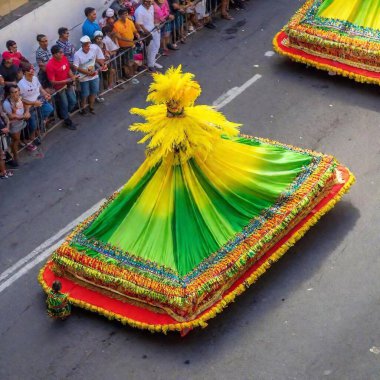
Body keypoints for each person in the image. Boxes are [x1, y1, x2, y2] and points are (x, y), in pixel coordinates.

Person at [18, 64, 54, 142]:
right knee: (33, 124)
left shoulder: (35, 78)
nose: (32, 73)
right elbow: (20, 99)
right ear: (24, 73)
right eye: (29, 72)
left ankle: (40, 127)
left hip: (39, 100)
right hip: (29, 105)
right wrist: (33, 103)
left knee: (49, 109)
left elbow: (40, 88)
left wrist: (45, 94)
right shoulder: (21, 84)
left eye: (33, 71)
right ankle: (32, 138)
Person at [46, 45, 78, 130]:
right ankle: (67, 120)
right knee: (64, 103)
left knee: (73, 101)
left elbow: (68, 69)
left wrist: (72, 78)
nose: (62, 54)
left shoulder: (64, 58)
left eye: (62, 52)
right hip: (59, 88)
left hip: (68, 84)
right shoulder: (50, 65)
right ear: (54, 54)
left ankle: (63, 114)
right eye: (60, 52)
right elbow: (52, 81)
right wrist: (66, 81)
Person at [73, 36, 105, 115]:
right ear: (82, 45)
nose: (88, 47)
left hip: (94, 75)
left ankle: (91, 107)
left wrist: (102, 65)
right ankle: (83, 108)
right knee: (85, 94)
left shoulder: (93, 50)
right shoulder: (77, 54)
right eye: (86, 46)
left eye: (88, 45)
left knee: (94, 92)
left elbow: (96, 59)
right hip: (84, 78)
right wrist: (87, 73)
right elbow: (75, 67)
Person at [3, 85, 31, 166]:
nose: (15, 94)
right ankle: (15, 156)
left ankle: (14, 153)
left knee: (17, 140)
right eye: (12, 92)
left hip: (21, 121)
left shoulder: (20, 97)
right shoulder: (6, 103)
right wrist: (24, 116)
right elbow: (11, 116)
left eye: (16, 91)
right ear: (9, 93)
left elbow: (26, 104)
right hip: (14, 124)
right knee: (16, 140)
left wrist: (27, 111)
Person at [135, 0, 162, 72]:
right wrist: (147, 32)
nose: (149, 4)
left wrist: (156, 25)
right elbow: (139, 24)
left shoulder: (152, 7)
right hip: (147, 32)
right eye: (147, 2)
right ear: (143, 2)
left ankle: (152, 61)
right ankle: (150, 65)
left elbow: (153, 17)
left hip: (154, 29)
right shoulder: (139, 11)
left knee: (157, 46)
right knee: (150, 49)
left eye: (150, 2)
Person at [113, 8, 140, 78]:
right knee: (127, 63)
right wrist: (131, 41)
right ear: (119, 16)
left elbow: (134, 31)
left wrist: (137, 34)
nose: (126, 15)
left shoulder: (129, 21)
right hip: (124, 47)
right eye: (124, 14)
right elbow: (119, 37)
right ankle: (128, 75)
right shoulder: (116, 25)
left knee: (136, 60)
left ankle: (134, 73)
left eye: (126, 14)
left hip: (132, 45)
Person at [0, 106, 13, 179]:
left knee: (3, 154)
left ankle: (4, 171)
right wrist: (2, 131)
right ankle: (3, 173)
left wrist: (7, 127)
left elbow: (7, 121)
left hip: (2, 137)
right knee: (1, 156)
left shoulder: (1, 115)